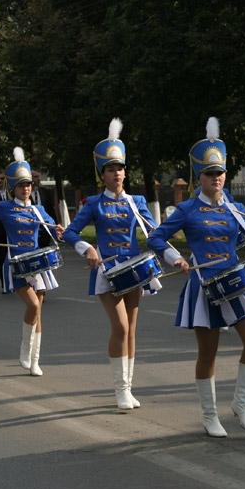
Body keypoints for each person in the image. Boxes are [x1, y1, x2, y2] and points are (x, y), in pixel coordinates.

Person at [147, 118, 245, 436]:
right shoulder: (187, 209)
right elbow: (156, 237)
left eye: (220, 173)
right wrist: (175, 257)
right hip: (204, 285)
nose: (216, 178)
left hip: (236, 281)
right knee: (209, 352)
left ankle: (241, 404)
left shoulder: (235, 206)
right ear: (198, 178)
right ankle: (209, 415)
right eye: (209, 174)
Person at [62, 118, 161, 409]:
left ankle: (128, 388)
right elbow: (70, 232)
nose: (116, 173)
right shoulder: (94, 203)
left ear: (124, 172)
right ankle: (119, 389)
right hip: (107, 271)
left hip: (134, 269)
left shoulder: (137, 201)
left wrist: (158, 234)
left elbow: (152, 229)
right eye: (110, 169)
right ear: (102, 174)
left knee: (131, 328)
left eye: (120, 168)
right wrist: (87, 247)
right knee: (119, 326)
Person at [0, 149, 64, 376]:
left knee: (39, 313)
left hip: (38, 264)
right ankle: (24, 348)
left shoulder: (38, 208)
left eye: (29, 185)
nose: (26, 189)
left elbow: (53, 226)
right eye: (21, 185)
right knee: (33, 306)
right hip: (16, 264)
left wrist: (60, 230)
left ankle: (35, 360)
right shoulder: (5, 207)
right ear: (13, 187)